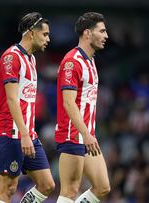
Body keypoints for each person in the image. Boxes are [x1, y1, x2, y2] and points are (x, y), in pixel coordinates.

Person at [0, 12, 55, 203]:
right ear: (31, 33)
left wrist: (28, 134)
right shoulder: (11, 58)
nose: (48, 39)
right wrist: (24, 134)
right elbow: (12, 100)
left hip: (28, 134)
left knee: (47, 185)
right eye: (45, 34)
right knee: (7, 189)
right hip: (11, 132)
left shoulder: (32, 59)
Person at [54, 12, 110, 203]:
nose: (106, 36)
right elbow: (68, 102)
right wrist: (85, 134)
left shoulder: (91, 61)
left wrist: (88, 135)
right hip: (73, 134)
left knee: (103, 188)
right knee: (70, 191)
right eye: (102, 31)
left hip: (87, 136)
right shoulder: (72, 62)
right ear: (87, 33)